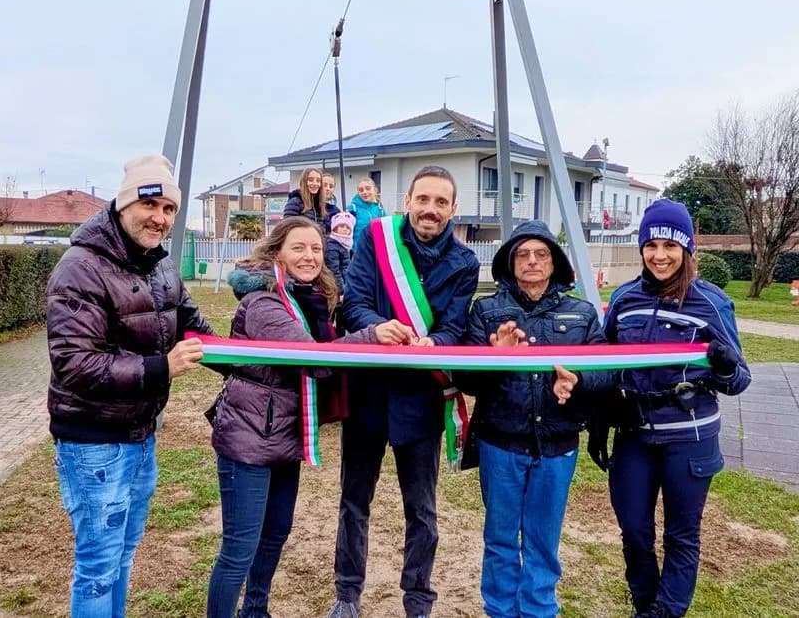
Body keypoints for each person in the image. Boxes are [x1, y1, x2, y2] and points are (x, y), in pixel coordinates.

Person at [206, 217, 412, 618]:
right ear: (276, 252)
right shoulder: (264, 301)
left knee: (275, 535)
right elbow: (313, 357)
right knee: (239, 549)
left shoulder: (309, 300)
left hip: (284, 435)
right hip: (249, 439)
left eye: (316, 249)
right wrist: (372, 336)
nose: (310, 256)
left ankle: (255, 610)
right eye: (298, 247)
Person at [46, 154, 214, 617]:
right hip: (93, 442)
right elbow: (74, 363)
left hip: (140, 436)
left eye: (169, 210)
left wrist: (264, 352)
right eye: (150, 205)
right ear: (123, 206)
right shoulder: (80, 267)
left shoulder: (160, 265)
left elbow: (195, 327)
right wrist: (162, 367)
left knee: (121, 557)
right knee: (99, 566)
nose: (159, 218)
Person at [584, 198, 751, 618]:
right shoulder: (623, 299)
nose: (660, 256)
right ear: (641, 247)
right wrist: (600, 418)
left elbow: (739, 380)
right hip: (635, 434)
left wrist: (726, 366)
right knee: (635, 531)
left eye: (671, 246)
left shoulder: (710, 302)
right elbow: (606, 363)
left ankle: (665, 612)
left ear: (687, 250)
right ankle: (645, 603)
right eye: (652, 245)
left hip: (690, 436)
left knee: (682, 535)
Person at [326, 166, 480, 618]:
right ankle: (347, 595)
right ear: (407, 201)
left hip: (421, 397)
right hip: (369, 391)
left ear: (453, 209)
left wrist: (439, 344)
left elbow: (455, 325)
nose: (430, 210)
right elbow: (351, 302)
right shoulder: (376, 237)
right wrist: (377, 329)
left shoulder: (466, 263)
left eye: (440, 202)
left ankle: (418, 600)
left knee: (422, 511)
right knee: (354, 502)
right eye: (423, 199)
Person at [456, 220, 613, 618]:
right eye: (522, 254)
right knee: (501, 537)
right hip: (500, 443)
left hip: (557, 445)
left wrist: (577, 382)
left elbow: (608, 370)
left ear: (554, 261)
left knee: (543, 537)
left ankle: (540, 609)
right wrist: (496, 357)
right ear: (509, 263)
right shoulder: (487, 311)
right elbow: (466, 379)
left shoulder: (581, 313)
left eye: (540, 254)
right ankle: (500, 610)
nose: (531, 261)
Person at [283, 167, 335, 231]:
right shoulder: (295, 203)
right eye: (310, 180)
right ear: (304, 182)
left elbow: (324, 231)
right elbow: (288, 228)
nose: (315, 183)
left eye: (318, 181)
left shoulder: (320, 206)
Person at [347, 176, 385, 252]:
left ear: (375, 190)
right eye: (361, 190)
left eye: (368, 188)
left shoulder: (380, 210)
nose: (364, 192)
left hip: (375, 253)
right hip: (357, 254)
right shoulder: (352, 209)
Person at [326, 211, 355, 295]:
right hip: (338, 288)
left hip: (346, 283)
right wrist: (342, 291)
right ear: (335, 228)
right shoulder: (332, 246)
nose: (345, 229)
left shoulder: (346, 245)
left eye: (348, 227)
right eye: (342, 226)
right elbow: (334, 271)